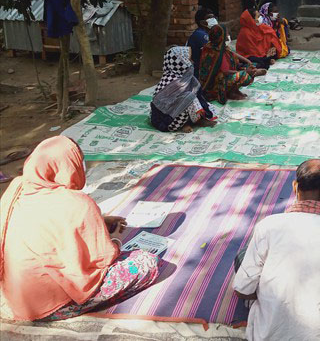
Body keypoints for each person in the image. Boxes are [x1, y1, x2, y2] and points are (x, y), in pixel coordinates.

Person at [0, 136, 159, 321]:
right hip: (55, 303)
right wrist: (113, 239)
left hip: (18, 298)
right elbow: (103, 259)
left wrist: (99, 221)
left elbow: (46, 229)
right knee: (147, 262)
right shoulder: (77, 204)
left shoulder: (17, 188)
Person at [233, 159, 320, 341]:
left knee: (244, 255)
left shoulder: (268, 226)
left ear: (295, 187)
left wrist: (269, 297)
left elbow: (242, 290)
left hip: (265, 333)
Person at [150, 46, 218, 133]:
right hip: (167, 120)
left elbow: (199, 97)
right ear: (180, 62)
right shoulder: (170, 81)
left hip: (181, 113)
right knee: (189, 97)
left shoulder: (188, 78)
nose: (191, 62)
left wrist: (205, 111)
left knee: (192, 97)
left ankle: (197, 120)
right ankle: (186, 124)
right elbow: (162, 109)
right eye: (188, 60)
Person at [200, 24, 265, 103]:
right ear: (221, 36)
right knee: (244, 76)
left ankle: (234, 90)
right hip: (216, 84)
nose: (228, 36)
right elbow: (225, 71)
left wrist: (248, 62)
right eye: (226, 34)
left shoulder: (220, 46)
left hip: (226, 76)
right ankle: (230, 92)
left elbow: (233, 53)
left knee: (251, 65)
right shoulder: (213, 51)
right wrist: (245, 72)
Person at [187, 7, 219, 78]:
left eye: (213, 17)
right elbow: (215, 53)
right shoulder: (200, 35)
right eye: (209, 18)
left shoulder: (208, 33)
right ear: (202, 22)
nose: (213, 19)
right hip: (200, 73)